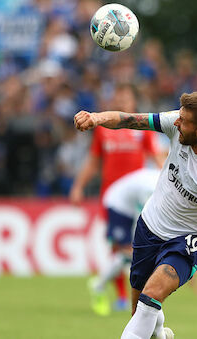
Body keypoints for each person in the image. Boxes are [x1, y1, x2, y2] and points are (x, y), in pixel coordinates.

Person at [73, 90, 197, 339]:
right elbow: (129, 119)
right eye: (179, 117)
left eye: (184, 121)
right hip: (151, 225)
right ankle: (160, 333)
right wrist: (96, 118)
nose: (177, 122)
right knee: (140, 311)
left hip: (193, 239)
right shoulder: (175, 122)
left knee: (152, 296)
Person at [70, 84, 165, 313]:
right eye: (119, 96)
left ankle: (116, 290)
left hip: (139, 195)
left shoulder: (141, 129)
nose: (122, 100)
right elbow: (94, 161)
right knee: (118, 246)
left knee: (132, 248)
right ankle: (122, 296)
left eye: (126, 97)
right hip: (113, 196)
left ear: (133, 102)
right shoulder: (104, 129)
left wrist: (167, 181)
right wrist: (78, 186)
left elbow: (157, 156)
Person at [88, 167, 160, 316]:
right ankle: (99, 285)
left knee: (129, 253)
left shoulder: (161, 182)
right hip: (117, 203)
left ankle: (99, 285)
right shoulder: (151, 187)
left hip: (128, 204)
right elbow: (144, 216)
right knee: (128, 251)